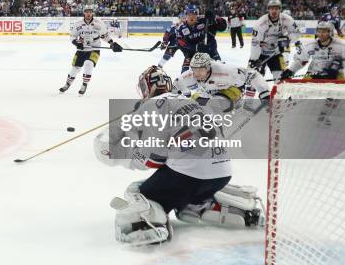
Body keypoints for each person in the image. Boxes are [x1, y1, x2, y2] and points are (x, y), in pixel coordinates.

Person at [93, 66, 264, 246]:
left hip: (189, 176)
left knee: (136, 192)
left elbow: (153, 158)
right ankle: (227, 209)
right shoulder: (189, 100)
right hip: (221, 174)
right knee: (186, 199)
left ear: (145, 87)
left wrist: (123, 156)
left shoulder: (152, 106)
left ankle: (147, 226)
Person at [59, 5, 123, 96]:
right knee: (74, 69)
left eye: (90, 12)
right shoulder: (78, 24)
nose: (88, 13)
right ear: (84, 12)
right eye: (86, 11)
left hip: (95, 49)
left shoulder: (99, 23)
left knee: (88, 64)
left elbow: (104, 36)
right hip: (82, 50)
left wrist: (112, 44)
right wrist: (77, 43)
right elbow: (72, 36)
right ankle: (67, 84)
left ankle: (84, 85)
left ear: (92, 12)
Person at [174, 53, 270, 109]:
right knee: (193, 107)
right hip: (207, 93)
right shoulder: (187, 76)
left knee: (217, 105)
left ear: (208, 67)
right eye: (194, 69)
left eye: (201, 69)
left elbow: (252, 74)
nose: (197, 73)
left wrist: (264, 92)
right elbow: (174, 88)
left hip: (232, 89)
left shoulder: (225, 71)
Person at [247, 0, 300, 96]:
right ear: (268, 10)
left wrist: (287, 40)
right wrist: (254, 59)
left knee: (279, 79)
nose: (274, 11)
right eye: (272, 9)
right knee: (253, 78)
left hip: (276, 53)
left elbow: (296, 33)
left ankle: (277, 101)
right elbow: (255, 43)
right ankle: (248, 104)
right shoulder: (260, 23)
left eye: (276, 8)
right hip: (261, 54)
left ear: (280, 9)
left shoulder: (287, 19)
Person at [281, 21, 345, 80]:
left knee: (339, 96)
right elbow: (300, 60)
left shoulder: (341, 46)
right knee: (303, 96)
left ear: (330, 32)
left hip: (335, 74)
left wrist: (339, 66)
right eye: (319, 31)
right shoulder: (310, 46)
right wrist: (291, 71)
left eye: (324, 32)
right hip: (313, 73)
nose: (321, 34)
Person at [176, 5, 227, 72]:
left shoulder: (204, 20)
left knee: (219, 71)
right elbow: (180, 42)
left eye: (194, 14)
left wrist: (214, 19)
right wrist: (195, 47)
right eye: (189, 14)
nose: (192, 16)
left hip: (210, 51)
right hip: (192, 53)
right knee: (185, 72)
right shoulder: (181, 28)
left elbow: (223, 27)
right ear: (186, 15)